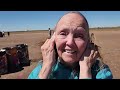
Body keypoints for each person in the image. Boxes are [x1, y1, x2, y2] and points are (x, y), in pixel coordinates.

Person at [28, 11, 113, 79]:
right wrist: (46, 68)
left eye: (79, 36)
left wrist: (85, 70)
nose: (70, 42)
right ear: (53, 38)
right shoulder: (40, 70)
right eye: (63, 33)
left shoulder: (100, 72)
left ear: (88, 40)